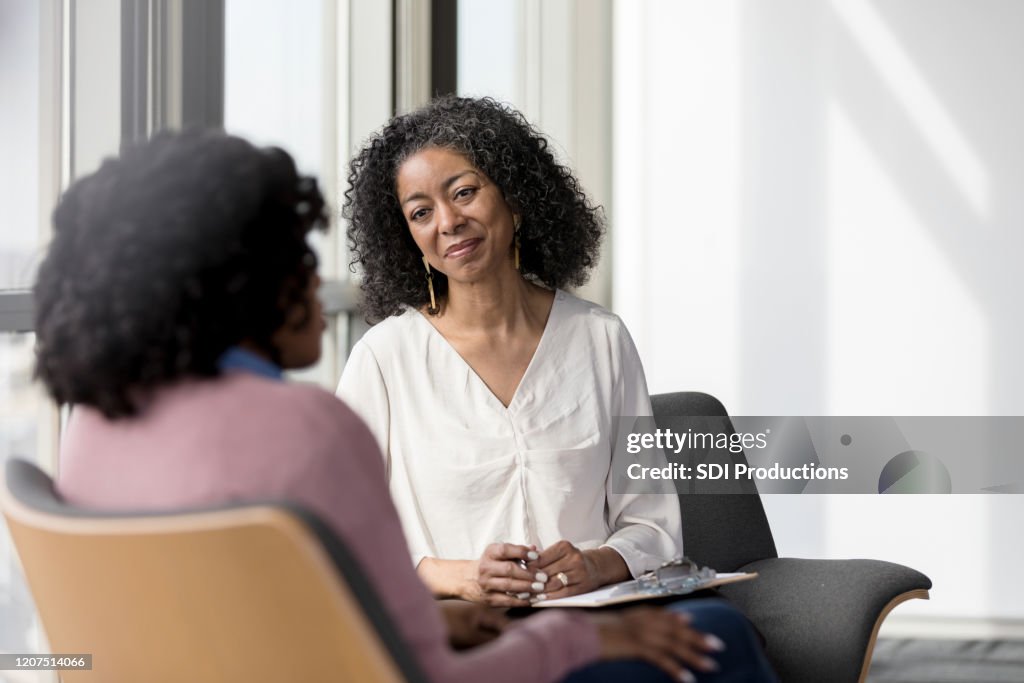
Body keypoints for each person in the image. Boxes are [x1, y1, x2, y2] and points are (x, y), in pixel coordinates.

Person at [34, 129, 775, 683]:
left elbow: (329, 603)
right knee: (716, 635)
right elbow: (412, 661)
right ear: (239, 282)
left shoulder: (95, 428)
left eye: (464, 192)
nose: (323, 286)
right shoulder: (317, 421)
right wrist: (581, 639)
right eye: (299, 259)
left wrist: (475, 608)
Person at [338, 95, 680, 605]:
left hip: (596, 620)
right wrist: (459, 577)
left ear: (515, 199)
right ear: (406, 235)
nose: (448, 221)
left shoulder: (601, 340)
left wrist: (596, 563)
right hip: (461, 633)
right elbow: (342, 537)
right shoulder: (384, 360)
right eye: (421, 212)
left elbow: (652, 524)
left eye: (465, 192)